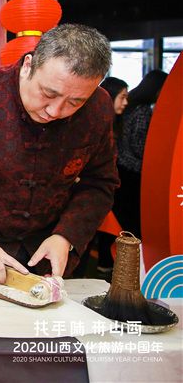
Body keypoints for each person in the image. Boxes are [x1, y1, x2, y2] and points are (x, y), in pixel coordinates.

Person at [0, 24, 119, 282]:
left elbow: (100, 183)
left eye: (75, 102)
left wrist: (66, 236)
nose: (55, 111)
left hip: (51, 249)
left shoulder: (99, 107)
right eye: (48, 93)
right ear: (28, 65)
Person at [75, 76, 128, 277]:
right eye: (122, 97)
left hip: (98, 194)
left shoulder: (115, 123)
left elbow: (103, 178)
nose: (125, 102)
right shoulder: (89, 122)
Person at [114, 70, 168, 239]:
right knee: (132, 218)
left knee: (121, 216)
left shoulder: (130, 106)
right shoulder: (143, 111)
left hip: (121, 166)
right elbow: (139, 145)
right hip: (133, 170)